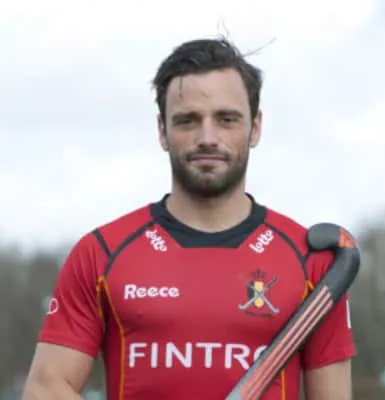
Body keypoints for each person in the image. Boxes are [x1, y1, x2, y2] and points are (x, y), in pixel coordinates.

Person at [22, 37, 356, 400]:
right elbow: (45, 388)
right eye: (187, 121)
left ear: (255, 127)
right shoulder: (100, 254)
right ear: (162, 131)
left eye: (226, 119)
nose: (207, 138)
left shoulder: (313, 264)